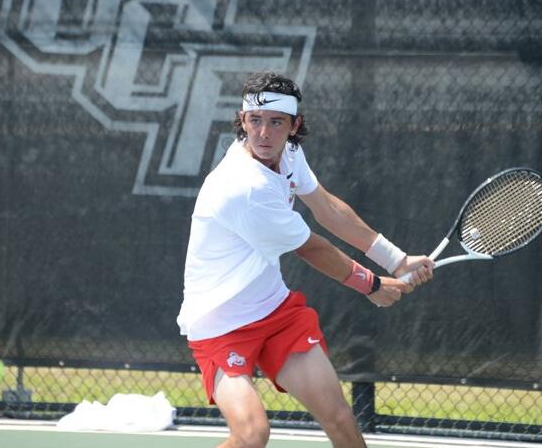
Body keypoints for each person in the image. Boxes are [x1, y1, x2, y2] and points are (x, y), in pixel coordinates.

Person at [177, 71, 434, 448]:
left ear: (294, 125)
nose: (264, 133)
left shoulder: (290, 154)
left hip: (275, 313)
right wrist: (373, 286)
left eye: (276, 122)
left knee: (340, 418)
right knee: (251, 436)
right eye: (255, 121)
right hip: (219, 324)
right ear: (242, 119)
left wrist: (396, 260)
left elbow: (328, 209)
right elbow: (311, 247)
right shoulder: (242, 186)